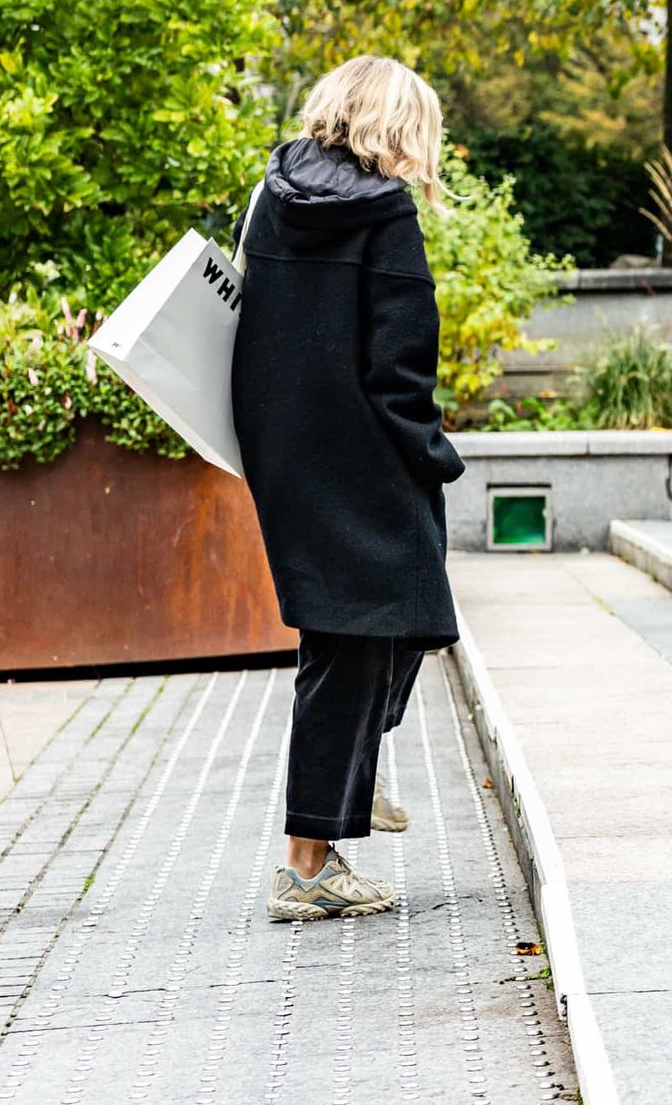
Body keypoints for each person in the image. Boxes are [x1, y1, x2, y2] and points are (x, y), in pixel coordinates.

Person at [232, 55, 466, 922]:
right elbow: (400, 366)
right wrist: (432, 455)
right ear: (402, 125)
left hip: (287, 455)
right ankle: (308, 865)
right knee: (362, 637)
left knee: (373, 628)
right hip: (365, 459)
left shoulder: (270, 196)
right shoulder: (385, 212)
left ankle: (347, 780)